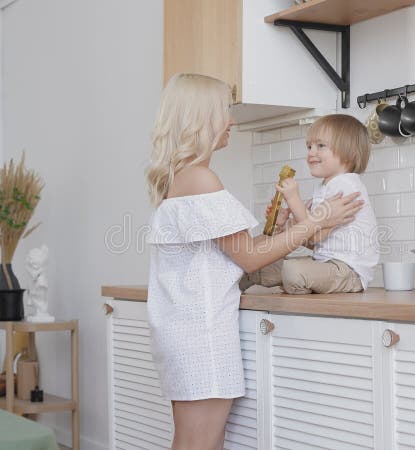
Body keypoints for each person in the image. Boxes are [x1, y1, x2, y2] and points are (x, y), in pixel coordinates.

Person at [144, 74, 364, 450]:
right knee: (199, 444)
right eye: (225, 111)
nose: (231, 120)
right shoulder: (200, 178)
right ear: (204, 118)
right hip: (202, 333)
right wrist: (314, 223)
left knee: (193, 440)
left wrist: (278, 228)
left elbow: (235, 248)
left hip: (185, 329)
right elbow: (248, 259)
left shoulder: (180, 177)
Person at [240, 114, 379, 295]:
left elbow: (315, 236)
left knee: (292, 269)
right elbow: (310, 235)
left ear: (349, 153)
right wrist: (283, 225)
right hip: (325, 264)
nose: (311, 153)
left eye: (320, 146)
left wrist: (293, 198)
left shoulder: (345, 186)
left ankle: (301, 286)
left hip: (347, 271)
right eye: (309, 146)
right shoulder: (326, 187)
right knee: (257, 268)